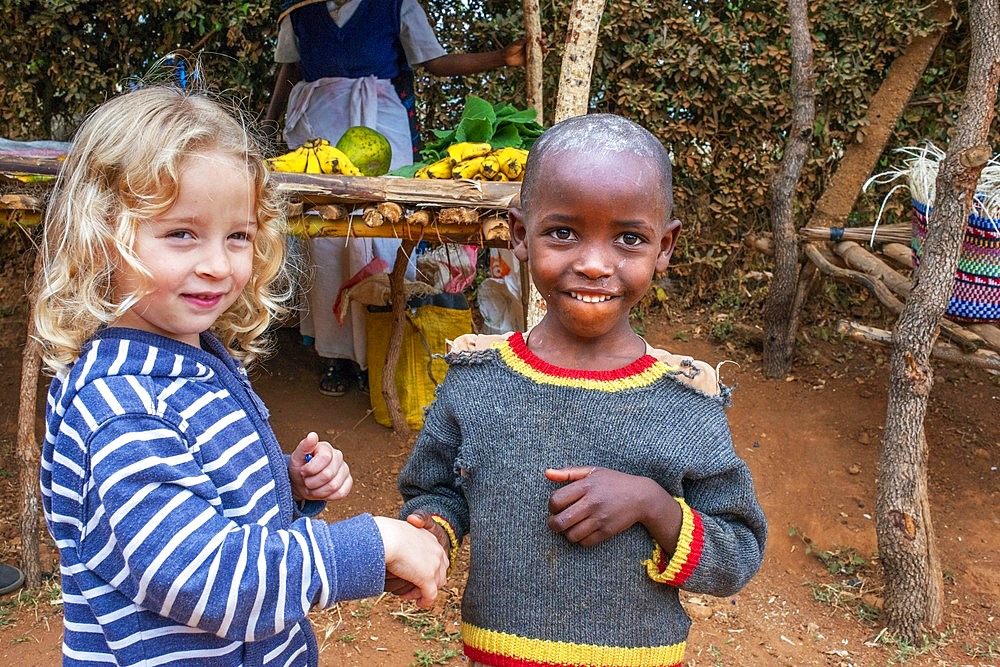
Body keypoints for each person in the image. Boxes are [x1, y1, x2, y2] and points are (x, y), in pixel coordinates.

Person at [34, 84, 448, 666]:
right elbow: (203, 577)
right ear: (101, 236)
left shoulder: (187, 359)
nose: (216, 264)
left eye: (238, 236)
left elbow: (190, 497)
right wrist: (367, 544)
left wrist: (285, 483)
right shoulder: (123, 405)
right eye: (181, 233)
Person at [396, 114, 768, 667]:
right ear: (520, 234)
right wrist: (432, 534)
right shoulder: (477, 381)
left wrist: (652, 504)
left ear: (664, 247)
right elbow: (436, 489)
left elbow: (737, 553)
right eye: (564, 232)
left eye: (629, 238)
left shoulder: (686, 403)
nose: (594, 264)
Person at [264, 0, 530, 397]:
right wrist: (267, 122)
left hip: (382, 123)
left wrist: (502, 58)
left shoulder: (396, 4)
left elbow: (434, 62)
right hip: (317, 125)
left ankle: (387, 339)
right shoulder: (298, 10)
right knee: (323, 239)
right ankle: (336, 356)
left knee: (384, 229)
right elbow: (291, 69)